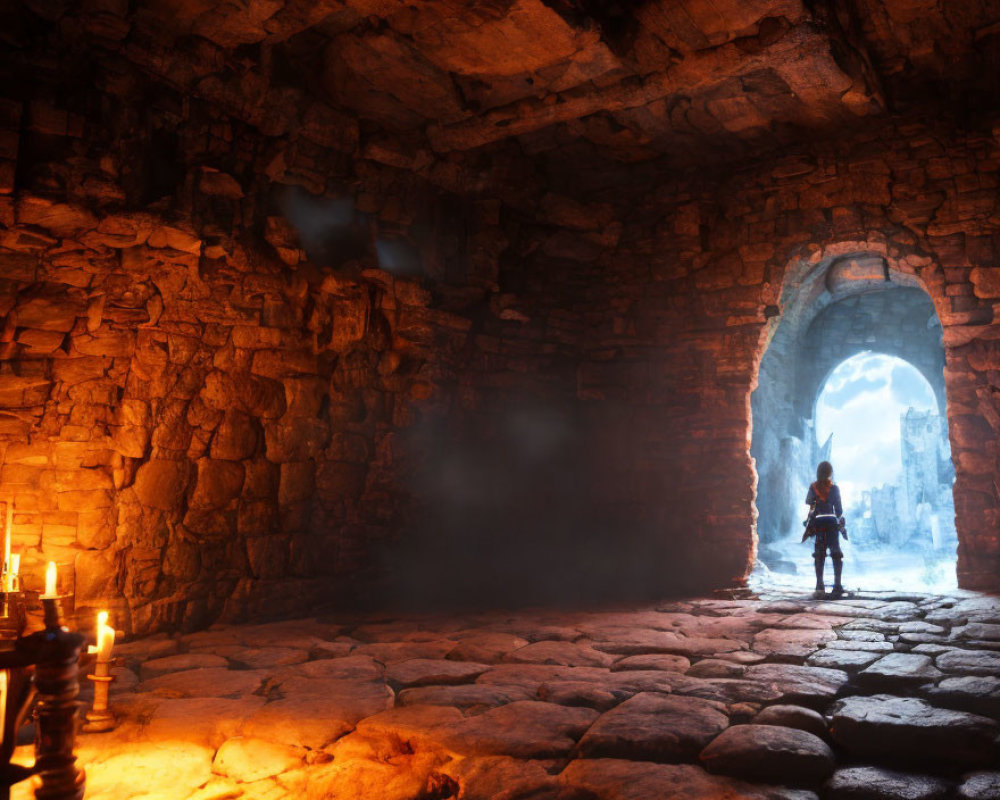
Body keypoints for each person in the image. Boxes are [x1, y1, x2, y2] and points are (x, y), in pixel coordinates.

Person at [803, 461, 847, 598]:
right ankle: (837, 585)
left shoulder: (813, 487)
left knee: (819, 554)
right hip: (832, 523)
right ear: (830, 473)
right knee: (836, 553)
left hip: (819, 523)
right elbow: (839, 510)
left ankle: (819, 585)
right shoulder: (835, 489)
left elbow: (809, 503)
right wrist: (840, 522)